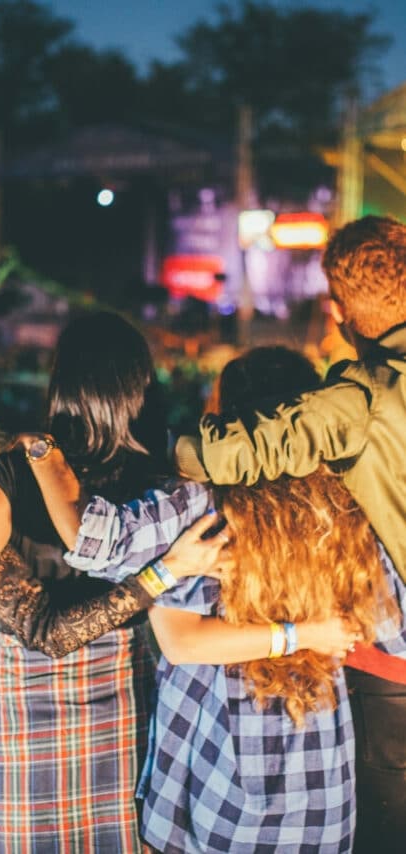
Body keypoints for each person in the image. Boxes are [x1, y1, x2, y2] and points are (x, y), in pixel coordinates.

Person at [0, 311, 230, 853]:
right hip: (132, 693)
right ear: (142, 388)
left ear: (61, 387)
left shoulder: (12, 474)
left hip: (29, 706)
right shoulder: (169, 485)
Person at [29, 346, 405, 852]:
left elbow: (95, 542)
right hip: (316, 770)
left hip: (217, 767)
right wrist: (317, 629)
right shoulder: (347, 502)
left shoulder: (198, 501)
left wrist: (40, 450)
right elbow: (393, 629)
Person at [174, 215, 406, 852]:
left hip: (392, 683)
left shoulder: (366, 398)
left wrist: (155, 452)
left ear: (342, 308)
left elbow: (228, 454)